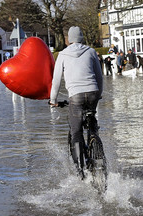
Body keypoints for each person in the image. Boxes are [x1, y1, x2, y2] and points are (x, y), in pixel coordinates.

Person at [50, 26, 103, 169]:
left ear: (69, 39)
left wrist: (53, 100)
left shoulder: (62, 54)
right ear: (82, 38)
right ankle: (94, 139)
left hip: (76, 95)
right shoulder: (91, 51)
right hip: (93, 92)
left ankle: (81, 170)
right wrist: (98, 95)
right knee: (92, 120)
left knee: (76, 131)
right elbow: (99, 77)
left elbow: (56, 80)